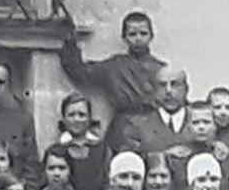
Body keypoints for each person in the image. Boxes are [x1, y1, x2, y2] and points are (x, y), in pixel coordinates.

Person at [62, 10, 166, 154]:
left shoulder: (161, 69)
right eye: (132, 34)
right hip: (123, 127)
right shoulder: (114, 66)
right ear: (124, 38)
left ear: (151, 36)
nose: (138, 38)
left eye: (143, 33)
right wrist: (70, 44)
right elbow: (81, 72)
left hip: (153, 125)